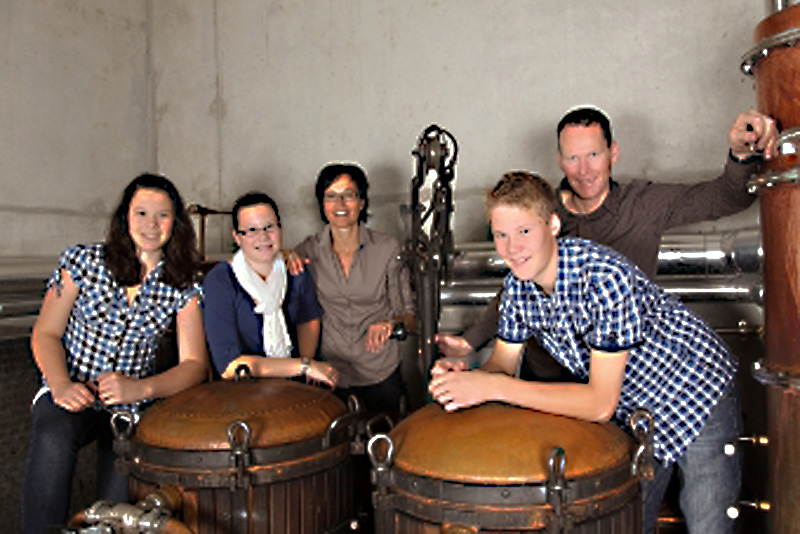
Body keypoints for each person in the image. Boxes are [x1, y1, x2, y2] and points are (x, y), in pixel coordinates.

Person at [429, 171, 743, 534]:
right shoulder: (516, 288)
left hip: (695, 392)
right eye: (501, 235)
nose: (512, 247)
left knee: (707, 521)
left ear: (553, 225)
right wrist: (469, 375)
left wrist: (492, 387)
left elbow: (599, 403)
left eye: (524, 231)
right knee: (626, 520)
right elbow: (503, 365)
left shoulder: (603, 277)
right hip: (635, 409)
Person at [436, 107, 778, 378]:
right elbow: (516, 287)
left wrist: (740, 155)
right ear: (559, 160)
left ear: (613, 153)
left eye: (593, 155)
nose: (584, 170)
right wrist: (470, 341)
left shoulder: (643, 205)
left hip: (624, 378)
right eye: (572, 158)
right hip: (549, 378)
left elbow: (726, 198)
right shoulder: (539, 212)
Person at [21, 174, 209, 534]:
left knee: (119, 505)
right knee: (54, 437)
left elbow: (194, 365)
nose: (151, 225)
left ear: (176, 223)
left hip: (129, 404)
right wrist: (60, 385)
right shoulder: (83, 262)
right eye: (141, 213)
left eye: (163, 215)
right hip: (71, 388)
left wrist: (140, 389)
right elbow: (46, 333)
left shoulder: (183, 285)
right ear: (125, 217)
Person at [293, 163, 415, 414]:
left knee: (388, 435)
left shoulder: (387, 248)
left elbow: (408, 316)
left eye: (348, 195)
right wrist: (284, 256)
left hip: (379, 371)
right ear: (322, 204)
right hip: (330, 373)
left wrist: (389, 324)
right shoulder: (308, 251)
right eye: (331, 196)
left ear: (362, 202)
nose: (340, 204)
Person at [203, 192, 337, 386]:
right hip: (241, 388)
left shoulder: (295, 269)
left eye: (269, 227)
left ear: (280, 228)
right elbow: (228, 366)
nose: (263, 237)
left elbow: (308, 318)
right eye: (251, 230)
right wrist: (304, 366)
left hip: (293, 383)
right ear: (237, 237)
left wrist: (305, 373)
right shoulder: (221, 280)